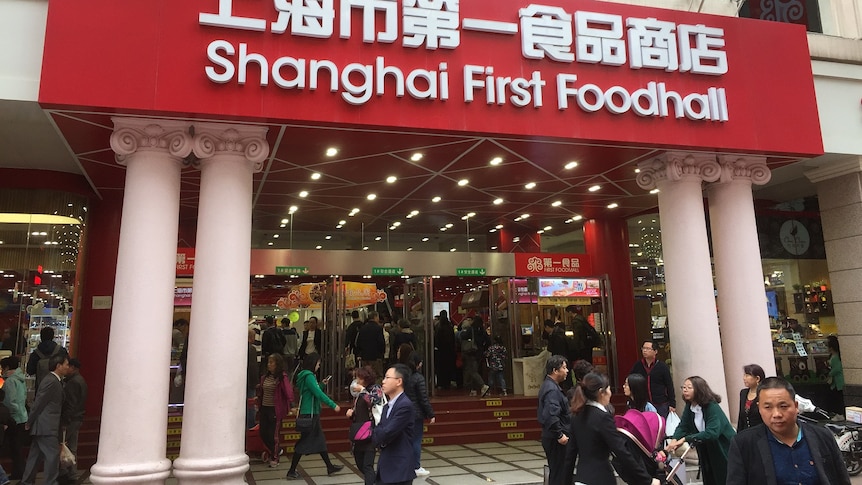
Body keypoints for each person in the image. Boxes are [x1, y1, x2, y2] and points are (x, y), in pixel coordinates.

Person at [727, 377, 850, 485]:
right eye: (768, 407)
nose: (776, 414)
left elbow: (841, 479)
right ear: (759, 408)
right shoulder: (744, 444)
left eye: (783, 406)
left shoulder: (822, 436)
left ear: (796, 406)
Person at [567, 372, 659, 485]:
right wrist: (647, 480)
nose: (610, 393)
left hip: (582, 478)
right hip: (601, 479)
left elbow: (570, 455)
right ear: (602, 392)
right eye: (609, 389)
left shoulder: (576, 415)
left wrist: (565, 481)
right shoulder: (603, 417)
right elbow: (621, 451)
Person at [665, 376, 735, 485]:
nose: (685, 390)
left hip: (722, 448)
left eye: (689, 387)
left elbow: (712, 433)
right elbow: (683, 426)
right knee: (709, 477)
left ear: (699, 389)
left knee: (724, 478)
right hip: (705, 449)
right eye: (683, 387)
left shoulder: (712, 407)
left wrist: (685, 439)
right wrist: (674, 439)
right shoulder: (690, 406)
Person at [286, 352, 343, 480]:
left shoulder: (305, 376)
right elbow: (317, 393)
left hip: (309, 412)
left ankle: (329, 466)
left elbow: (312, 391)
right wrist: (333, 405)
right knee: (304, 442)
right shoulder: (309, 376)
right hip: (310, 413)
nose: (318, 366)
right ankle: (291, 471)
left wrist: (322, 384)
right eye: (318, 363)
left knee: (320, 440)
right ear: (313, 363)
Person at [21, 353, 71, 485]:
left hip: (43, 425)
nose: (68, 367)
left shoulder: (52, 380)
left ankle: (26, 481)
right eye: (66, 364)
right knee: (52, 456)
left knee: (35, 456)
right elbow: (39, 403)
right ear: (58, 366)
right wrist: (29, 421)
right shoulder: (51, 381)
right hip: (47, 425)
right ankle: (50, 482)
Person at [373, 363, 416, 485]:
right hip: (386, 467)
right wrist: (377, 433)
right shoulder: (387, 406)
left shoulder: (405, 405)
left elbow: (387, 432)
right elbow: (378, 431)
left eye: (387, 377)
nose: (383, 381)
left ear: (399, 381)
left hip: (399, 470)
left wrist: (377, 433)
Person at [345, 366, 382, 485]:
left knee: (367, 466)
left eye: (359, 378)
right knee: (360, 464)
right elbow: (359, 410)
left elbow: (374, 401)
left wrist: (363, 391)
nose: (357, 381)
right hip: (358, 432)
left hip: (370, 433)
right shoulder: (358, 393)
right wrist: (351, 413)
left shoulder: (375, 389)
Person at [537, 355, 570, 485]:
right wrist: (559, 434)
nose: (567, 371)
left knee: (559, 472)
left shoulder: (550, 386)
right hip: (555, 439)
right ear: (555, 371)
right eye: (564, 367)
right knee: (559, 474)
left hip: (552, 436)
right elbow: (551, 415)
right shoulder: (552, 390)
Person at [257, 353, 294, 467]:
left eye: (271, 362)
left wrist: (291, 406)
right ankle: (276, 450)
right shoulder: (265, 377)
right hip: (264, 408)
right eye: (268, 362)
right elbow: (262, 392)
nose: (269, 365)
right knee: (263, 432)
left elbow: (288, 392)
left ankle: (275, 457)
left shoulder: (282, 377)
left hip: (275, 409)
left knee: (273, 434)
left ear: (277, 364)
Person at [402, 351, 434, 476]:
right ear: (418, 364)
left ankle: (406, 464)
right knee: (416, 440)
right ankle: (416, 466)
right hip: (416, 414)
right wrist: (430, 414)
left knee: (406, 440)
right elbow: (423, 398)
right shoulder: (418, 378)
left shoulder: (404, 377)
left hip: (404, 412)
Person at [629, 340, 675, 418]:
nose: (644, 350)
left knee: (661, 425)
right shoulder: (638, 366)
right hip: (644, 403)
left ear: (655, 351)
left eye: (648, 348)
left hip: (660, 403)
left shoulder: (662, 366)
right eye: (643, 348)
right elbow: (631, 381)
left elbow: (669, 385)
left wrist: (672, 403)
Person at [59, 358, 87, 483]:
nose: (66, 368)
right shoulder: (80, 380)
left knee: (63, 445)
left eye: (68, 366)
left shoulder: (73, 383)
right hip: (78, 417)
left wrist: (65, 420)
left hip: (72, 418)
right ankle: (72, 474)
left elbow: (70, 403)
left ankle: (66, 473)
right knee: (72, 447)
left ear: (73, 368)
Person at [1, 356, 27, 479]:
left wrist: (8, 416)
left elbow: (10, 401)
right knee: (17, 447)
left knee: (14, 448)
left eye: (2, 367)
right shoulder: (21, 379)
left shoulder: (10, 381)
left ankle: (19, 472)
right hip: (22, 416)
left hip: (14, 418)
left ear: (6, 367)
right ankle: (20, 472)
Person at [26, 326, 68, 391]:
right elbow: (68, 367)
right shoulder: (61, 351)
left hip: (41, 387)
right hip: (58, 387)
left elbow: (30, 371)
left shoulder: (36, 353)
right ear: (53, 336)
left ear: (41, 337)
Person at [458, 318, 489, 397]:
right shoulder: (482, 330)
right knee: (475, 370)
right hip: (480, 353)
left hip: (472, 353)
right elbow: (488, 341)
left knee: (472, 371)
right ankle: (473, 389)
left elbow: (462, 336)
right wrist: (482, 348)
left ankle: (483, 386)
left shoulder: (471, 329)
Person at [355, 312, 385, 379]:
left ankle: (367, 388)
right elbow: (381, 342)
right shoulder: (378, 328)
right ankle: (376, 389)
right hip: (376, 356)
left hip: (365, 356)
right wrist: (382, 353)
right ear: (375, 317)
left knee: (366, 375)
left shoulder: (362, 328)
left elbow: (358, 342)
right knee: (377, 375)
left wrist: (360, 353)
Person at [736, 363, 765, 431]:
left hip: (761, 433)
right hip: (746, 434)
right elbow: (741, 418)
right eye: (744, 375)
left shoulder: (764, 394)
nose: (744, 378)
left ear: (757, 378)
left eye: (747, 375)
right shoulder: (743, 393)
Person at [433, 311, 456, 389]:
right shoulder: (450, 325)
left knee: (440, 368)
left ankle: (441, 383)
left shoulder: (438, 326)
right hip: (449, 350)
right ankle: (447, 382)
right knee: (448, 367)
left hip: (440, 351)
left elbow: (436, 338)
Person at [826, 335, 845, 415]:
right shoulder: (834, 356)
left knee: (839, 398)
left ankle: (840, 414)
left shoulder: (835, 357)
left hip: (838, 382)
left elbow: (837, 368)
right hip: (835, 382)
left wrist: (829, 374)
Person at [246, 328, 259, 430]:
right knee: (251, 404)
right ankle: (250, 425)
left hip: (242, 381)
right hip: (250, 381)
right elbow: (253, 367)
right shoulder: (251, 349)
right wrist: (256, 382)